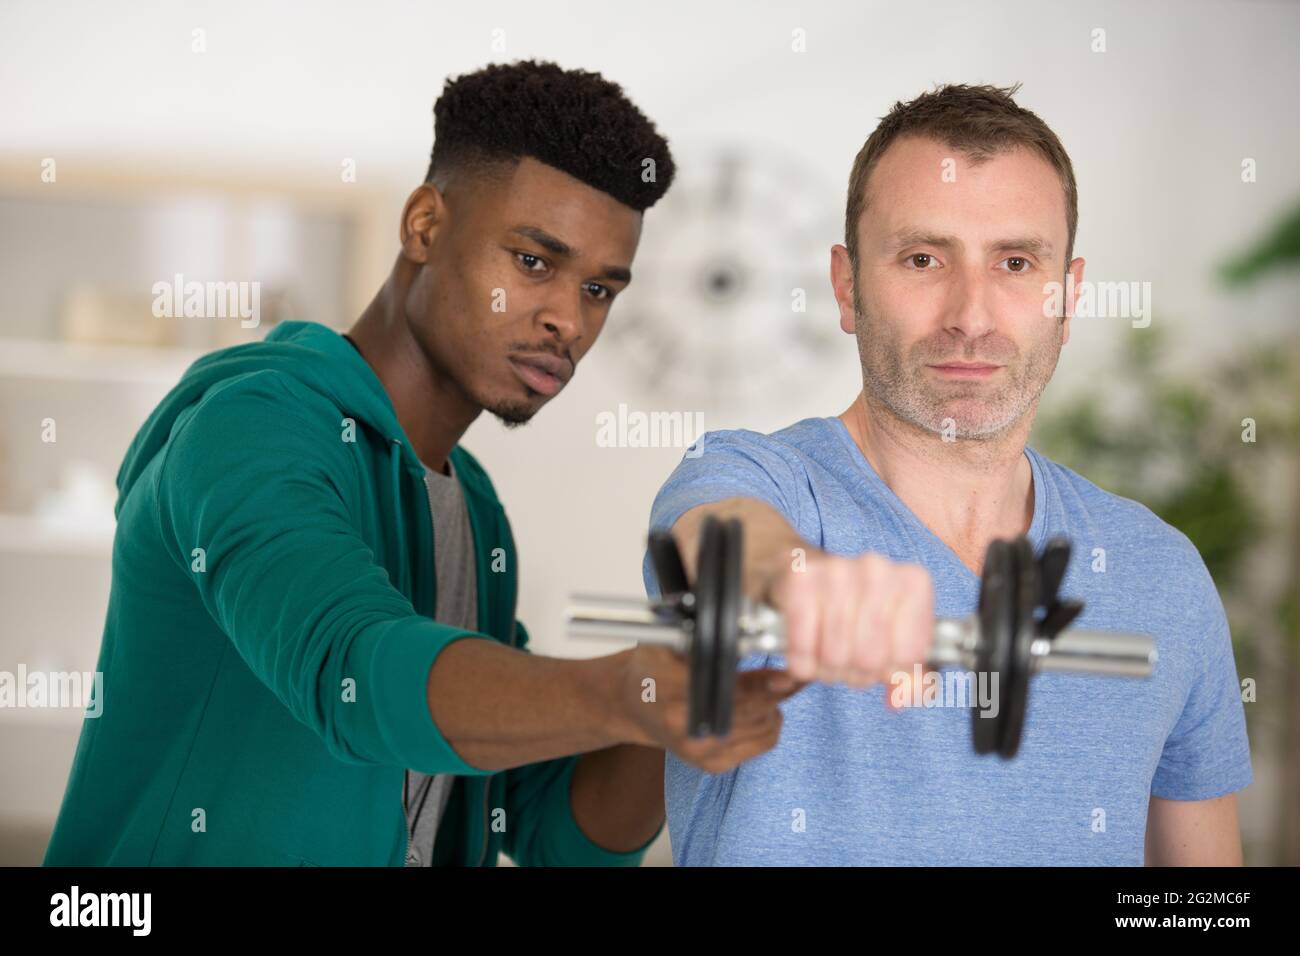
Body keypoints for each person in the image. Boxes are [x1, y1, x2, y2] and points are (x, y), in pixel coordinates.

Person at [43, 60, 803, 867]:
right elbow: (354, 674)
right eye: (534, 262)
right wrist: (624, 690)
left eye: (600, 290)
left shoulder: (470, 505)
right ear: (425, 226)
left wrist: (694, 672)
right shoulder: (249, 426)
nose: (567, 321)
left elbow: (548, 827)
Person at [645, 83, 1252, 866]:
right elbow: (717, 539)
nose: (970, 313)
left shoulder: (1161, 573)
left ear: (1066, 294)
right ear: (847, 285)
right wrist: (804, 585)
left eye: (1015, 261)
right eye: (923, 258)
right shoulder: (759, 479)